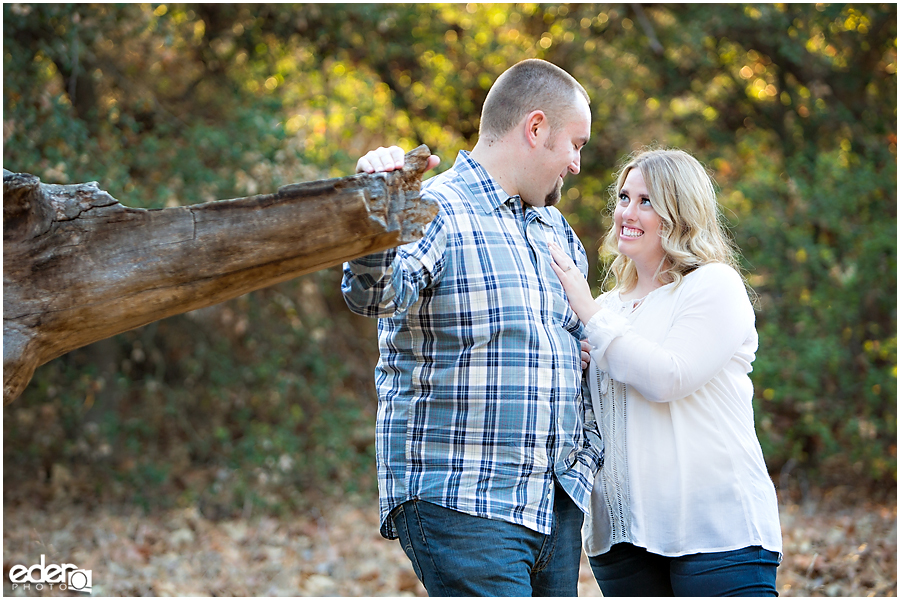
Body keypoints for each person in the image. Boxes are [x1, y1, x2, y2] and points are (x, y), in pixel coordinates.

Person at [341, 59, 602, 596]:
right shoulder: (436, 209)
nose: (576, 164)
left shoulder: (554, 230)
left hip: (552, 503)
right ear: (535, 129)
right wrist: (376, 205)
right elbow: (374, 294)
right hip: (465, 500)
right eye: (574, 144)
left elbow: (581, 344)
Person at [548, 147, 783, 596]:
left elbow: (668, 377)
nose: (627, 213)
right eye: (623, 198)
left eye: (646, 201)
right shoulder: (610, 307)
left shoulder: (713, 285)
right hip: (621, 539)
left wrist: (588, 315)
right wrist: (577, 368)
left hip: (715, 532)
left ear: (681, 212)